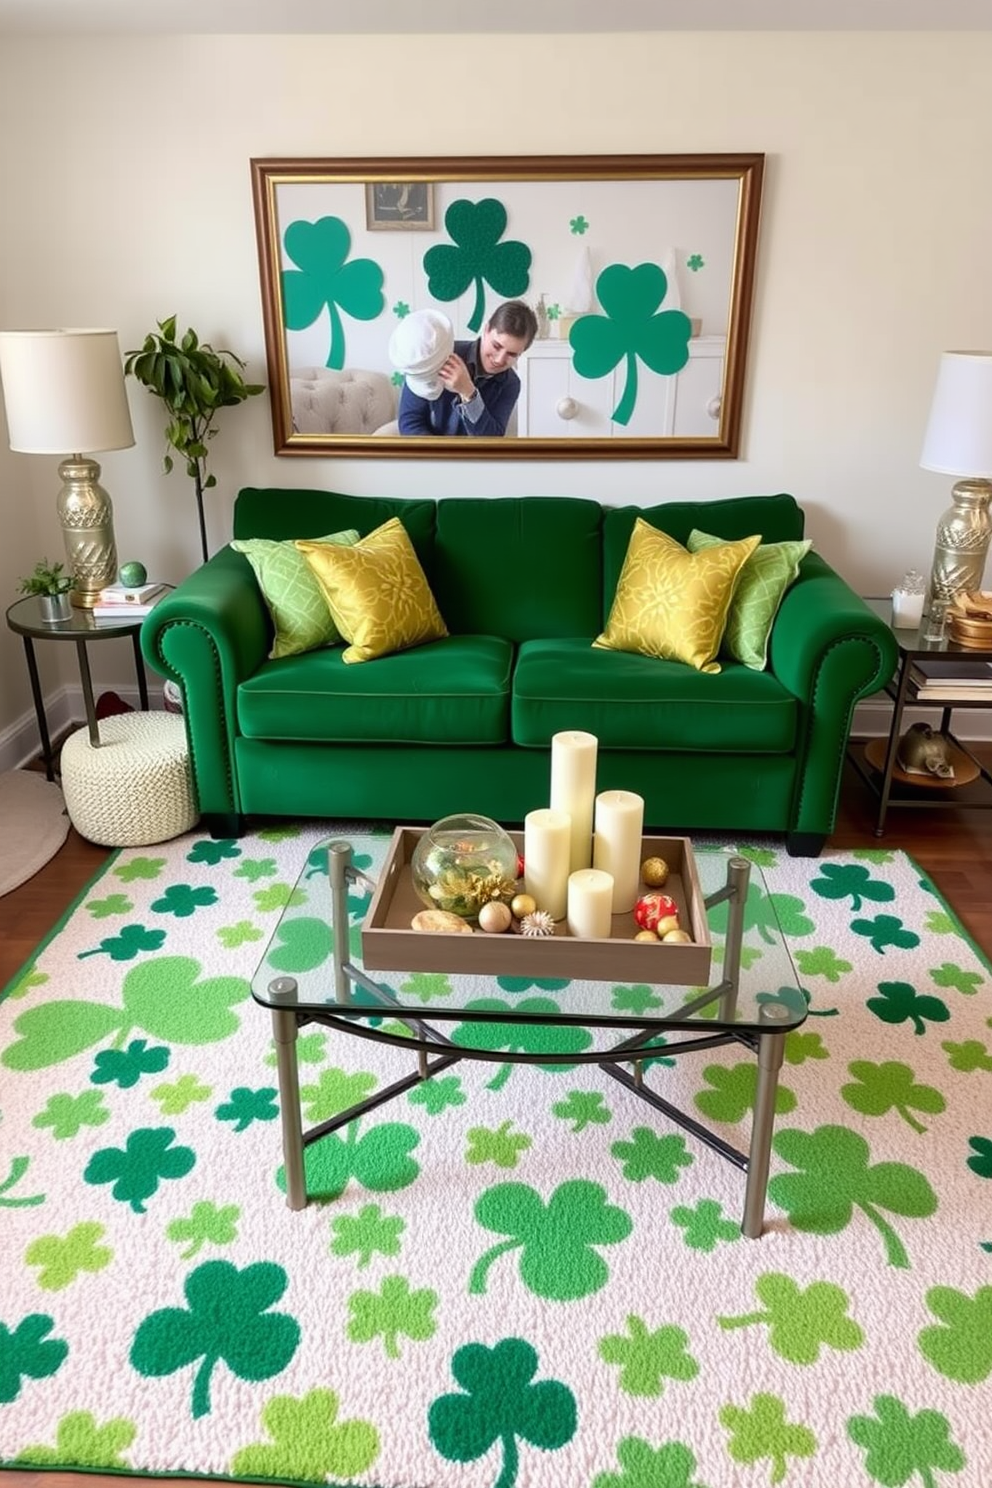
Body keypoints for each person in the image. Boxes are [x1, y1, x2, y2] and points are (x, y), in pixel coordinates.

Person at [397, 299, 538, 437]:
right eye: (496, 346)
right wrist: (440, 456)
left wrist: (468, 393)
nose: (499, 359)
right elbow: (410, 422)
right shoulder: (441, 354)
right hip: (430, 456)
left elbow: (492, 440)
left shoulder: (510, 383)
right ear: (486, 329)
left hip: (474, 458)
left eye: (512, 354)